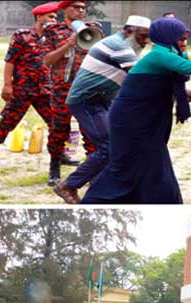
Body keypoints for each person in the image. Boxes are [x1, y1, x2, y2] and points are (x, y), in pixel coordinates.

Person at [81, 17, 191, 204]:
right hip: (132, 121)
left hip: (148, 120)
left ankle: (159, 201)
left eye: (185, 39)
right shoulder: (160, 55)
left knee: (148, 166)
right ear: (168, 36)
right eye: (181, 39)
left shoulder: (171, 52)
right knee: (126, 168)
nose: (184, 43)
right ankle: (92, 202)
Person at [56, 14, 150, 200]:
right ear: (129, 31)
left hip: (101, 102)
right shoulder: (119, 46)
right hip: (87, 102)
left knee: (120, 143)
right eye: (142, 36)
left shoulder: (125, 44)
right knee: (110, 145)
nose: (146, 41)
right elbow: (140, 78)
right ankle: (68, 185)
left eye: (148, 36)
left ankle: (102, 184)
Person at [0, 2, 58, 170]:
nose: (54, 20)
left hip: (44, 90)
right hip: (22, 88)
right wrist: (7, 85)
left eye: (55, 17)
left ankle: (59, 153)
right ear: (39, 17)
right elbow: (10, 61)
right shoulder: (22, 36)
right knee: (8, 120)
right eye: (50, 16)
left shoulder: (54, 38)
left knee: (55, 122)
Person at [42, 0, 99, 186]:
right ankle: (55, 167)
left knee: (91, 131)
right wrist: (68, 44)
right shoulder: (53, 31)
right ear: (64, 10)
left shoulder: (94, 29)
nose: (81, 11)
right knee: (59, 129)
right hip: (62, 89)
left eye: (83, 8)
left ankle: (92, 171)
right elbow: (48, 60)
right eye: (76, 7)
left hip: (87, 89)